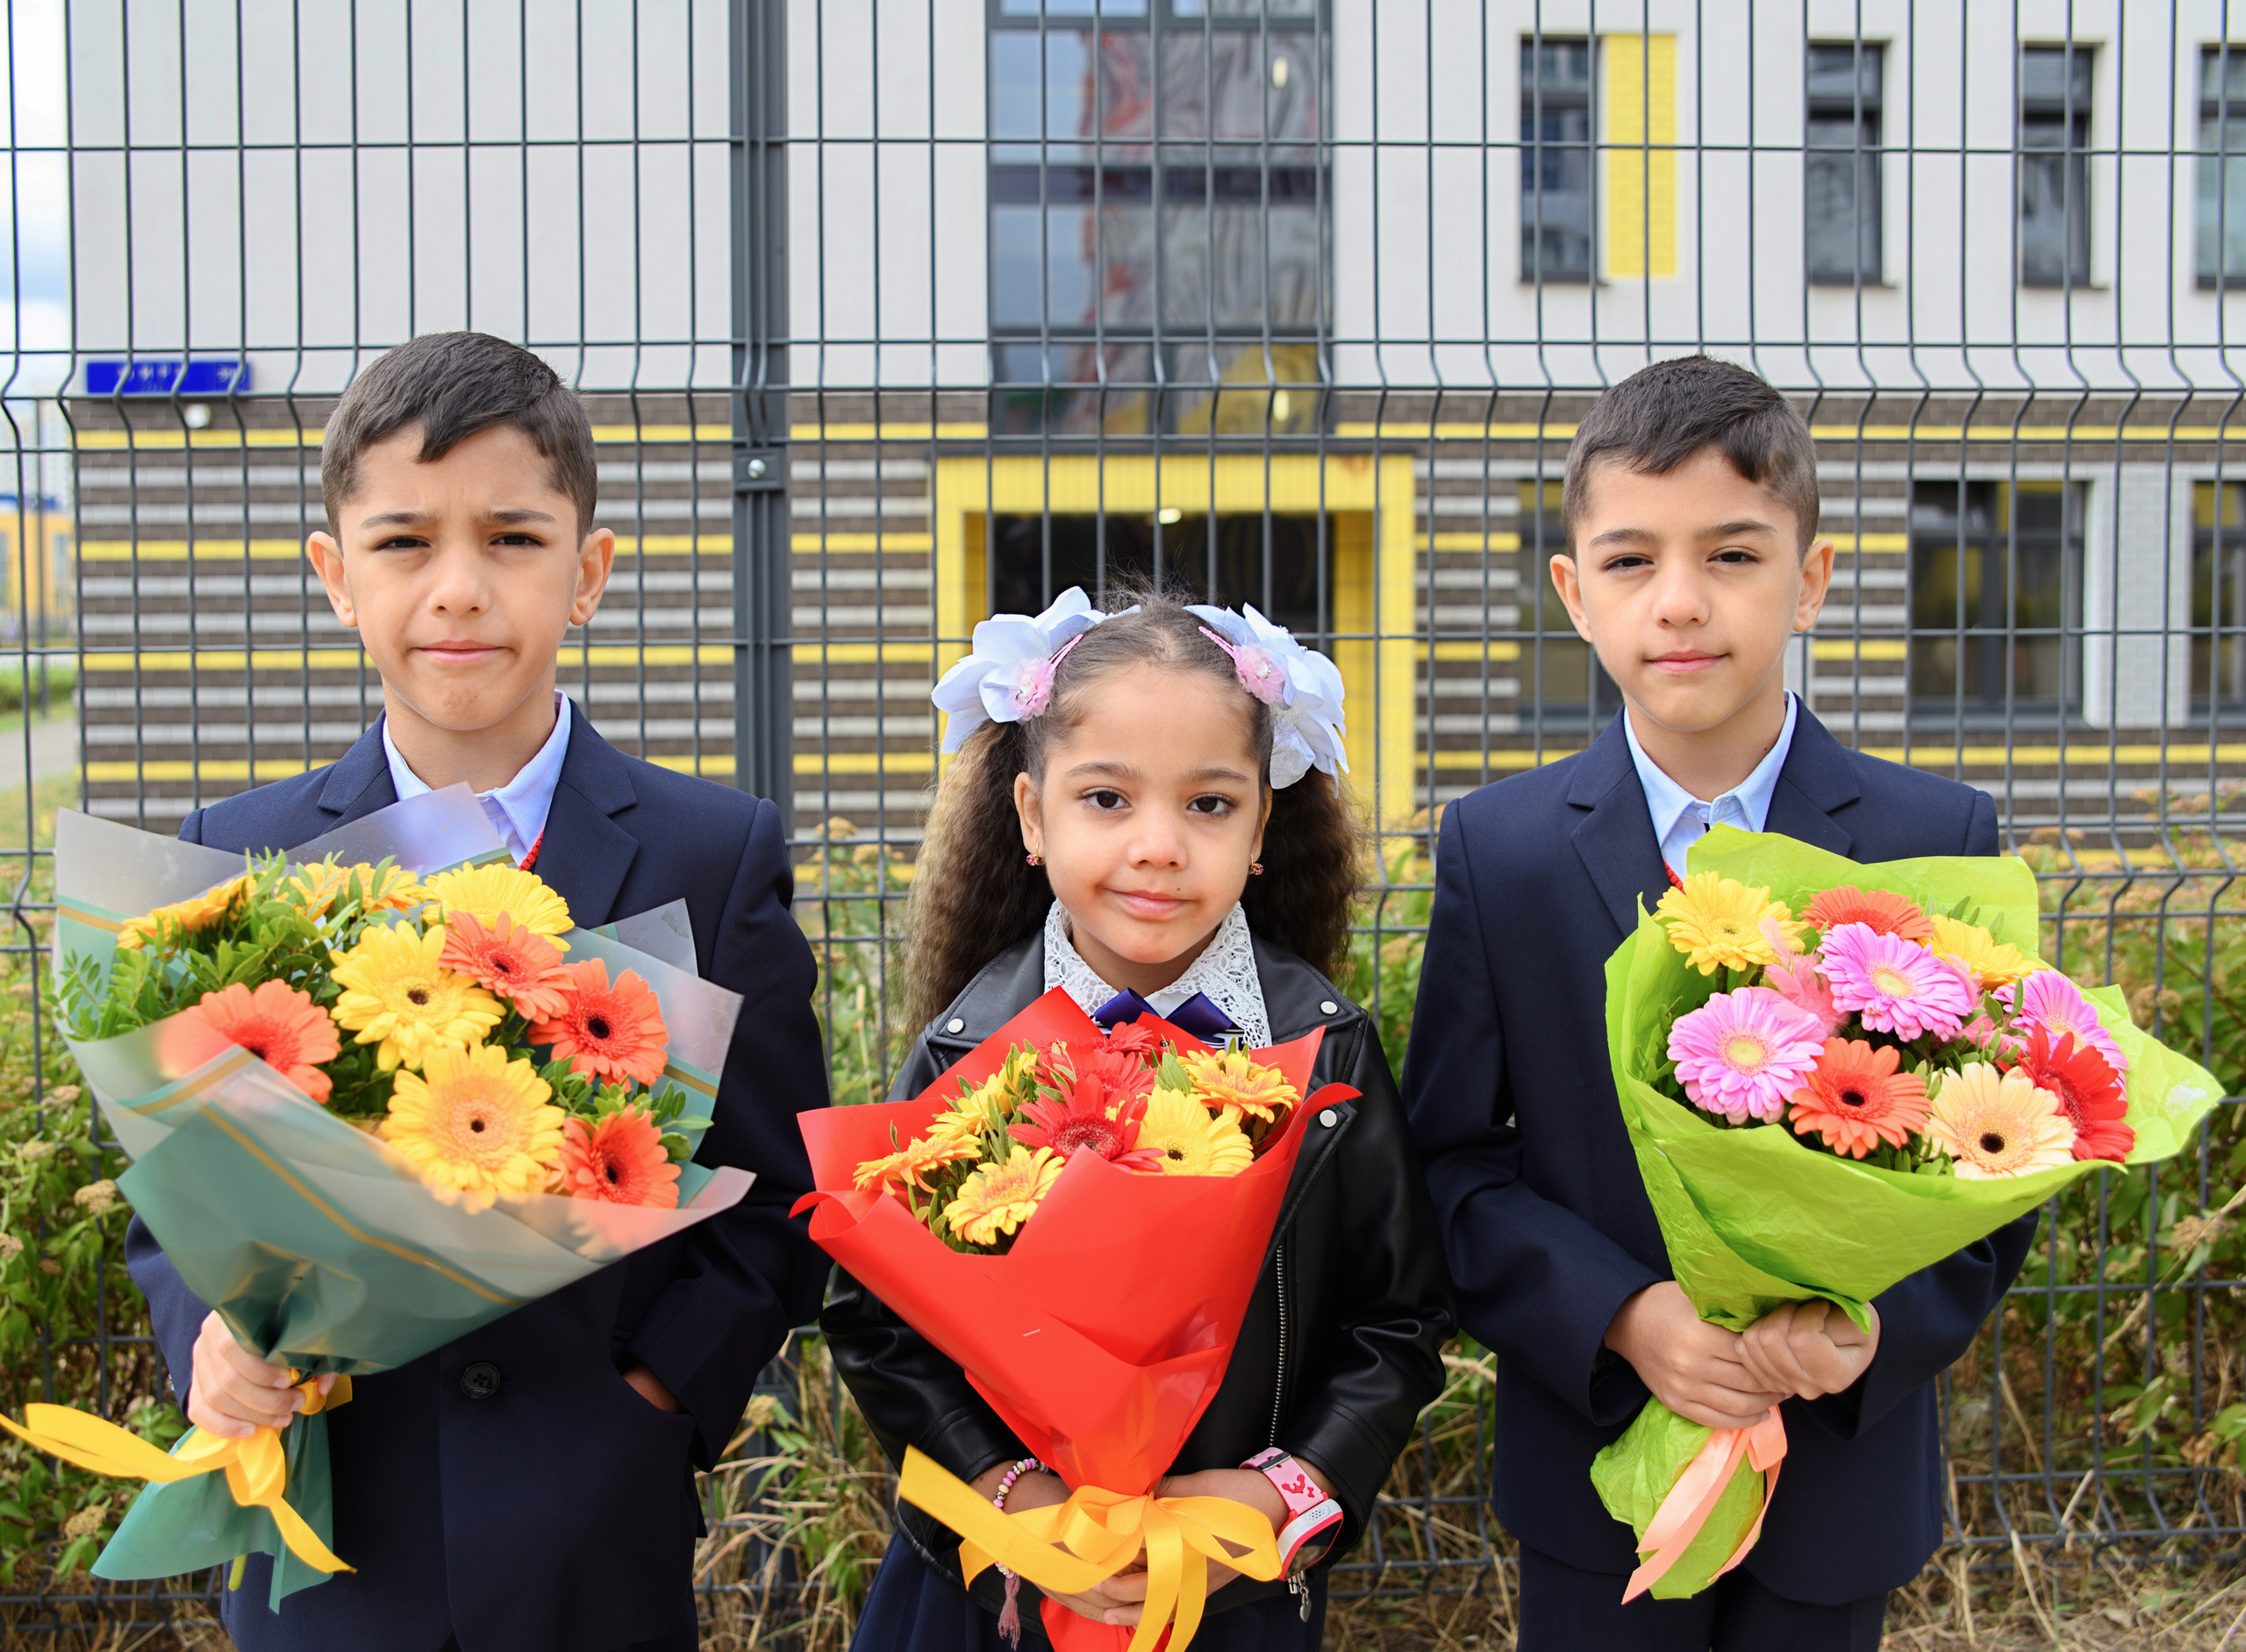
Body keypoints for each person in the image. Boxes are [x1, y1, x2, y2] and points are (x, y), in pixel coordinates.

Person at [121, 332, 830, 1652]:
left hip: (592, 1542)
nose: (459, 587)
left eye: (512, 536)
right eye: (403, 542)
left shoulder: (708, 853)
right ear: (334, 575)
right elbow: (176, 1191)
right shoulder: (238, 852)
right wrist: (213, 1337)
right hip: (331, 1540)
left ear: (589, 571)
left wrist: (653, 1393)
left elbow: (780, 1194)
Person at [1403, 355, 2038, 1652]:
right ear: (1574, 593)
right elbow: (1454, 1166)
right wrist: (1627, 1316)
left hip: (1837, 1476)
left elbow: (1997, 1161)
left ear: (1810, 578)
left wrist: (1866, 1328)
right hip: (1598, 1486)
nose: (1681, 603)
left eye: (1734, 555)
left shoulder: (1934, 837)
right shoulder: (1501, 849)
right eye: (1632, 561)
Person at [824, 586, 1453, 1648]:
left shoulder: (1322, 1049)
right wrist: (1007, 1493)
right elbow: (879, 1321)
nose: (1158, 844)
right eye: (1106, 798)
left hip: (1230, 1587)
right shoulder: (966, 1046)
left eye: (1208, 804)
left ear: (1262, 823)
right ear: (1031, 814)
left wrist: (1272, 1497)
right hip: (991, 1581)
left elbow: (1398, 1319)